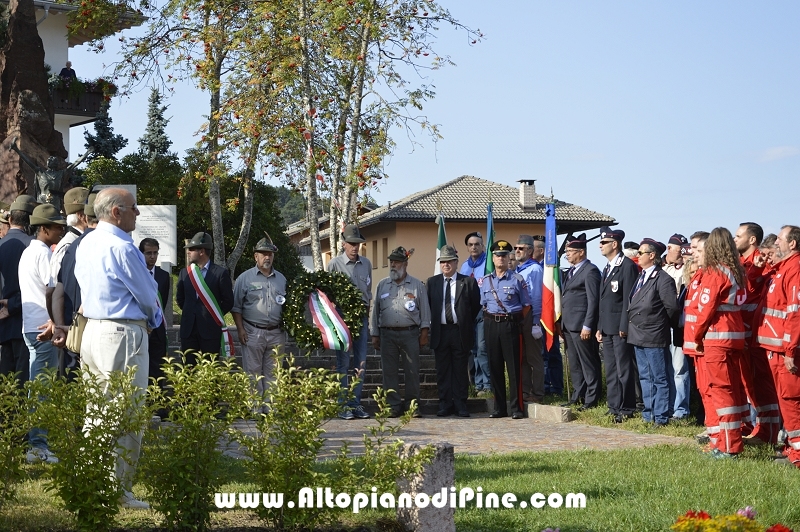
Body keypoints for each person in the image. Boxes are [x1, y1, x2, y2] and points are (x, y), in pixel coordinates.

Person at [73, 188, 162, 508]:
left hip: (94, 330)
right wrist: (153, 319)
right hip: (122, 333)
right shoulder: (122, 247)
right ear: (115, 212)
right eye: (133, 208)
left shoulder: (87, 242)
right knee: (128, 414)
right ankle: (117, 490)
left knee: (97, 412)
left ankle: (91, 481)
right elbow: (147, 293)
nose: (137, 213)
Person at [685, 227, 748, 459]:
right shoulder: (735, 270)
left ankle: (729, 446)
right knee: (730, 390)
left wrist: (697, 336)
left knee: (721, 393)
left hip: (717, 339)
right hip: (734, 336)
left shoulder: (714, 272)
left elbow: (707, 307)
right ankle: (725, 441)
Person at [20, 204, 65, 464]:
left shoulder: (29, 252)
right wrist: (54, 320)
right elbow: (50, 290)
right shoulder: (43, 254)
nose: (60, 230)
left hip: (30, 326)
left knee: (37, 388)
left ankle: (37, 443)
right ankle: (38, 446)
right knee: (42, 390)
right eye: (56, 226)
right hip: (43, 329)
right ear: (43, 228)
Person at [755, 225, 800, 467]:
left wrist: (791, 350)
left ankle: (798, 454)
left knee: (792, 400)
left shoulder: (796, 269)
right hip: (776, 349)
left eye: (780, 240)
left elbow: (796, 312)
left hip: (786, 351)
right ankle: (791, 447)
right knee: (786, 400)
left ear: (792, 244)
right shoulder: (784, 268)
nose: (775, 245)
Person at [733, 222, 780, 444]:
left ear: (752, 239)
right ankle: (760, 428)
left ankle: (769, 431)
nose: (734, 239)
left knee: (761, 384)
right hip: (742, 334)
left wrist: (758, 269)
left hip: (757, 335)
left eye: (738, 235)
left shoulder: (763, 263)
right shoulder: (740, 264)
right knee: (748, 384)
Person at [370, 246, 430, 418]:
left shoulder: (417, 285)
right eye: (391, 262)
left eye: (396, 262)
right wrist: (374, 333)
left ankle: (413, 406)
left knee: (412, 371)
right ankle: (392, 406)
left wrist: (424, 333)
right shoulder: (382, 285)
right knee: (389, 372)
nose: (393, 265)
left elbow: (425, 311)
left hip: (410, 334)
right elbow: (375, 312)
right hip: (387, 334)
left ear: (405, 264)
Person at [628, 238, 679, 426]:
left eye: (641, 253)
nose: (637, 256)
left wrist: (663, 325)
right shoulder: (641, 276)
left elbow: (672, 308)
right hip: (638, 334)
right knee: (644, 376)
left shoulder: (663, 279)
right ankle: (648, 413)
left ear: (652, 255)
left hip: (654, 334)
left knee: (659, 377)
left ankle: (661, 416)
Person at [232, 234, 287, 406]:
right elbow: (236, 307)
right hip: (252, 331)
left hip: (276, 332)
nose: (267, 257)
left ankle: (271, 408)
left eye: (270, 254)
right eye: (263, 254)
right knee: (253, 371)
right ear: (256, 256)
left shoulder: (282, 279)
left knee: (274, 371)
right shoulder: (245, 278)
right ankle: (255, 408)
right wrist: (240, 329)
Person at [426, 245, 481, 417]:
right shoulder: (432, 282)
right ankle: (445, 404)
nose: (446, 265)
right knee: (442, 370)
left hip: (459, 331)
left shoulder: (468, 282)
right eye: (443, 262)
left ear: (456, 262)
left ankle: (460, 404)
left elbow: (475, 306)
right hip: (440, 331)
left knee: (459, 370)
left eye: (449, 261)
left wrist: (463, 320)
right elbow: (429, 305)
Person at [479, 240, 531, 419]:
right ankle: (499, 407)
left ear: (508, 258)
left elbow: (526, 305)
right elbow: (483, 305)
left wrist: (513, 319)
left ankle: (517, 408)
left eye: (504, 255)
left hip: (511, 325)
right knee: (495, 366)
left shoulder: (517, 279)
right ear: (492, 258)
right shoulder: (485, 281)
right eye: (497, 255)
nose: (500, 258)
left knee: (514, 367)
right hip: (491, 325)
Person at [326, 224, 372, 420]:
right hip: (341, 316)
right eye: (352, 244)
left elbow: (368, 292)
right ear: (343, 244)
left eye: (358, 244)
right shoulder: (334, 264)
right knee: (343, 362)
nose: (355, 247)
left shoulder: (367, 264)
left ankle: (355, 403)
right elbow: (327, 294)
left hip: (360, 316)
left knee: (360, 361)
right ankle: (342, 404)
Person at [50, 193, 98, 378]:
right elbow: (54, 290)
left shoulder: (73, 245)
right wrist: (59, 326)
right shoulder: (70, 245)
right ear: (81, 216)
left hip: (74, 329)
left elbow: (57, 291)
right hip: (84, 330)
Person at [596, 226, 639, 423]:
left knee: (624, 368)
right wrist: (599, 326)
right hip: (607, 327)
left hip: (620, 327)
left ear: (615, 244)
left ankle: (627, 406)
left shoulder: (627, 266)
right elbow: (603, 301)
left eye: (604, 242)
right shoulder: (607, 267)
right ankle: (614, 406)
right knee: (611, 369)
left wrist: (624, 326)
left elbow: (628, 300)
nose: (600, 245)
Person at [176, 232, 234, 363]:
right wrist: (191, 311)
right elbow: (180, 299)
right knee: (188, 370)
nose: (188, 252)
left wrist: (212, 315)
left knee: (210, 369)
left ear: (201, 251)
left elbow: (228, 301)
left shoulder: (220, 273)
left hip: (210, 329)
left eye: (191, 249)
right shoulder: (185, 273)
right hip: (188, 329)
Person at [559, 233, 602, 410]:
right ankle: (578, 394)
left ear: (581, 252)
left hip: (581, 325)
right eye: (566, 251)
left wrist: (588, 325)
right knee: (575, 364)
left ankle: (592, 398)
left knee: (588, 363)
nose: (567, 254)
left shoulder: (590, 271)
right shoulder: (570, 272)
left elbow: (593, 301)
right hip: (569, 325)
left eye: (570, 251)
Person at [0, 194, 36, 383]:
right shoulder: (34, 247)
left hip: (3, 324)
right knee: (24, 385)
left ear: (10, 219)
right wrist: (13, 305)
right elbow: (38, 287)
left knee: (6, 388)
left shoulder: (2, 245)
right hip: (27, 323)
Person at [663, 233, 691, 419]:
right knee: (666, 369)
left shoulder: (686, 270)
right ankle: (670, 405)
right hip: (662, 325)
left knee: (679, 368)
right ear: (669, 249)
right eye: (677, 249)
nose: (681, 254)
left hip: (679, 324)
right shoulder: (663, 269)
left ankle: (681, 409)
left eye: (683, 250)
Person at [460, 231, 490, 395]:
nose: (474, 247)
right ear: (467, 247)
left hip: (482, 310)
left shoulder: (487, 263)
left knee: (482, 348)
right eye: (470, 245)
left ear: (482, 246)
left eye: (477, 244)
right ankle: (476, 384)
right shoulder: (465, 266)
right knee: (471, 350)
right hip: (468, 311)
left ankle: (486, 384)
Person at [514, 235, 544, 403]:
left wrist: (536, 322)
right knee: (522, 356)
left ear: (530, 251)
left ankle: (538, 392)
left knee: (533, 357)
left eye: (521, 248)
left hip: (531, 315)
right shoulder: (518, 270)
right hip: (519, 316)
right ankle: (525, 391)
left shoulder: (535, 269)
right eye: (516, 248)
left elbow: (537, 297)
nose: (517, 251)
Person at [139, 238, 171, 387]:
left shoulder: (163, 276)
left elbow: (162, 303)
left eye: (155, 253)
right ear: (141, 254)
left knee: (157, 369)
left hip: (157, 329)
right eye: (148, 253)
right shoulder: (136, 274)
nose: (152, 256)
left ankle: (158, 405)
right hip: (140, 328)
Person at [50, 187, 90, 286]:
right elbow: (54, 287)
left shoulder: (76, 241)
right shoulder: (67, 245)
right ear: (81, 216)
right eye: (91, 211)